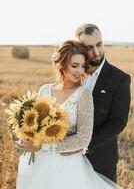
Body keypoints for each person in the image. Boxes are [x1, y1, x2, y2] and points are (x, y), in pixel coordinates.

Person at [16, 40, 124, 189]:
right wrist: (26, 134)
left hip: (67, 166)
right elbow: (35, 124)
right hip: (38, 164)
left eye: (83, 66)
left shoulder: (83, 94)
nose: (80, 71)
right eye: (74, 65)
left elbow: (83, 139)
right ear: (62, 64)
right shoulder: (45, 90)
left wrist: (43, 147)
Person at [75, 24, 131, 182]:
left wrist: (83, 145)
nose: (96, 52)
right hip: (68, 161)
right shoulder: (72, 75)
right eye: (89, 47)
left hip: (101, 161)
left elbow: (118, 122)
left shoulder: (120, 79)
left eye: (99, 44)